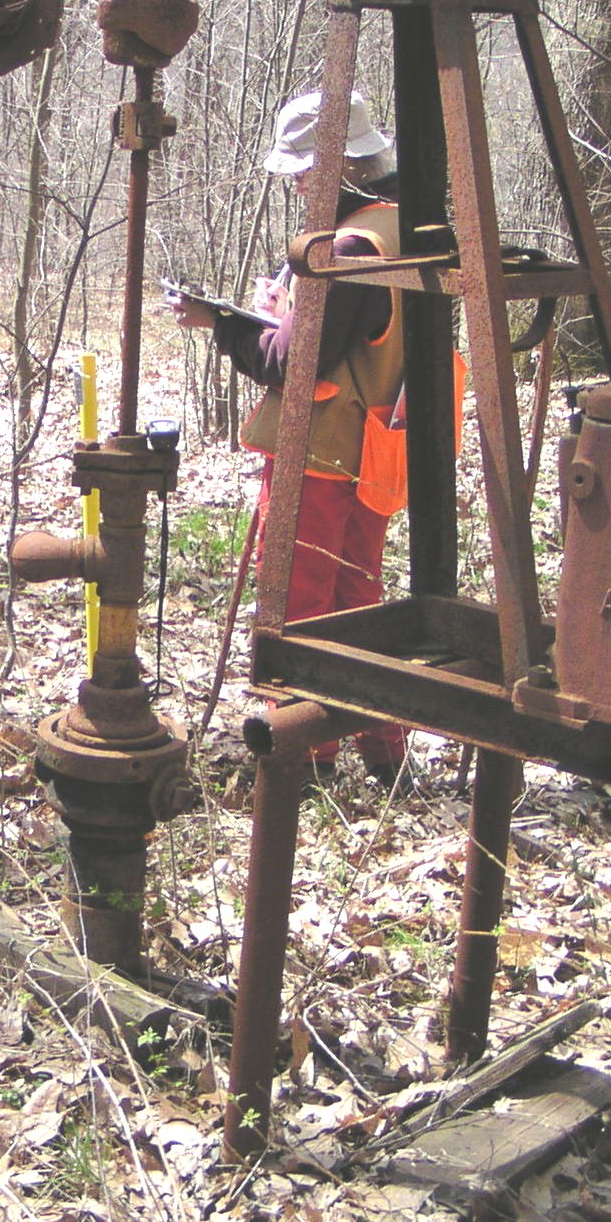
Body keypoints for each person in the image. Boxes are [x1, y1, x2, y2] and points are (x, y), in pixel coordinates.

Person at [170, 88, 415, 783]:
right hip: (374, 450)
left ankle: (302, 762)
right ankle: (382, 752)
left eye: (307, 170)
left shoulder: (347, 246)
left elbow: (291, 364)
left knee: (298, 607)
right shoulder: (397, 225)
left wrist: (221, 325)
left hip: (324, 449)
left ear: (342, 164)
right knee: (357, 602)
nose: (299, 184)